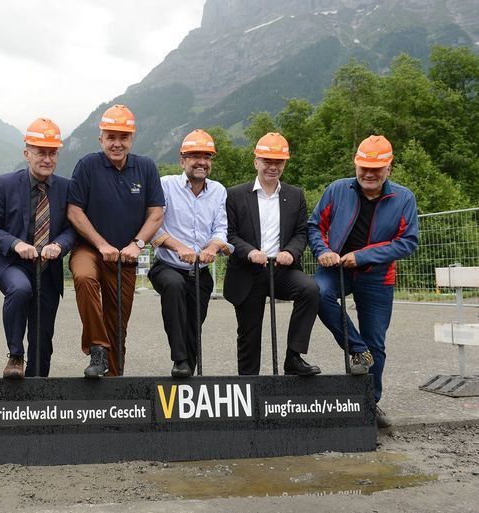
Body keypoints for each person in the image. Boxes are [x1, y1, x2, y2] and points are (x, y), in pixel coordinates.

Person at [308, 135, 418, 428]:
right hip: (336, 268)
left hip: (378, 274)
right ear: (355, 165)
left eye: (376, 169)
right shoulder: (337, 189)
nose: (369, 174)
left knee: (377, 341)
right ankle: (358, 350)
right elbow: (315, 226)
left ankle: (371, 403)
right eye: (363, 168)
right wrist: (323, 251)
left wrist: (363, 256)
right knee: (317, 293)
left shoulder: (404, 198)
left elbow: (407, 242)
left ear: (389, 168)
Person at [67, 104, 164, 378]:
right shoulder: (88, 165)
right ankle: (97, 347)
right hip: (90, 249)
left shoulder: (146, 167)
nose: (117, 143)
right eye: (111, 137)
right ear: (101, 139)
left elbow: (156, 214)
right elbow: (74, 211)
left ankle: (114, 383)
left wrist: (137, 244)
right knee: (84, 278)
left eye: (123, 137)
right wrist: (100, 244)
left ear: (132, 138)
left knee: (118, 325)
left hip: (126, 257)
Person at [0, 118, 77, 378]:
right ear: (27, 153)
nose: (47, 159)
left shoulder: (67, 187)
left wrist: (59, 245)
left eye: (52, 153)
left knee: (43, 341)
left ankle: (37, 388)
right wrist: (16, 244)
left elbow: (72, 229)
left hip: (48, 268)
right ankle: (15, 355)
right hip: (13, 264)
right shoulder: (4, 184)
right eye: (40, 152)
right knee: (20, 289)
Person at [224, 132, 321, 376]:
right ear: (256, 162)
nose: (273, 167)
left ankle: (294, 357)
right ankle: (249, 384)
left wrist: (290, 251)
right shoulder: (235, 195)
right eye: (267, 161)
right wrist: (249, 252)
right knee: (249, 335)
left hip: (280, 269)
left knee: (310, 289)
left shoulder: (295, 195)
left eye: (279, 162)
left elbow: (301, 232)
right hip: (248, 271)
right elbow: (229, 235)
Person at [148, 130, 232, 378]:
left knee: (194, 327)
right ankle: (180, 359)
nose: (201, 162)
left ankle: (187, 375)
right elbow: (154, 226)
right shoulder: (165, 185)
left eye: (207, 157)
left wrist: (212, 248)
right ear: (182, 160)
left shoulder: (218, 191)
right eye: (195, 156)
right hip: (167, 267)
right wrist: (179, 247)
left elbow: (220, 228)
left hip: (200, 272)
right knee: (174, 287)